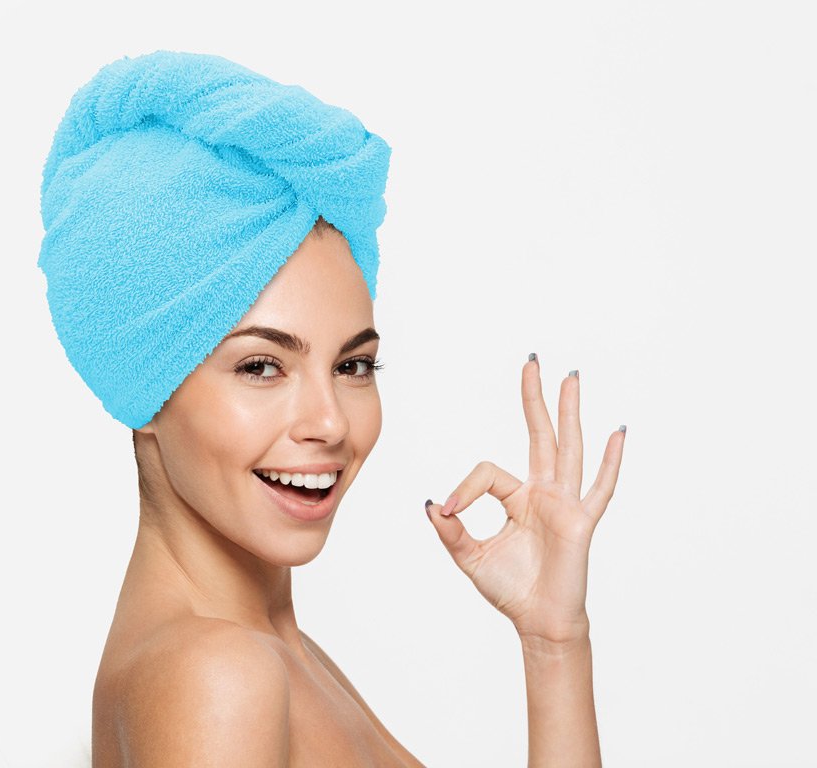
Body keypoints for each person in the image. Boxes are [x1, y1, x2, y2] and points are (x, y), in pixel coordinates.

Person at [38, 51, 625, 767]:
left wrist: (554, 642)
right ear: (146, 388)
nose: (331, 422)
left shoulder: (273, 649)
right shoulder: (217, 676)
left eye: (353, 366)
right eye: (261, 366)